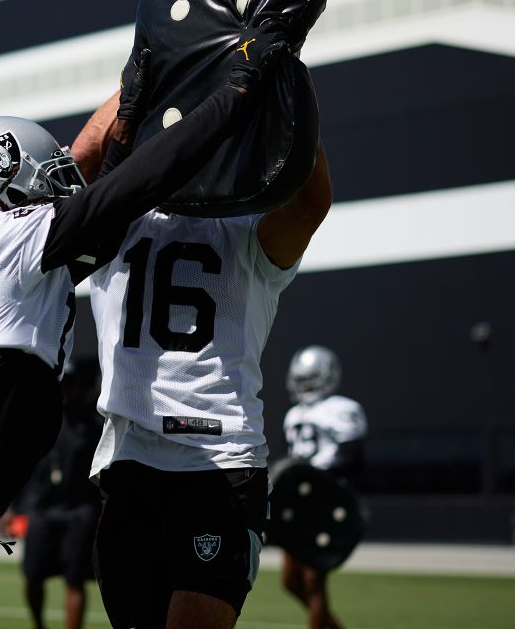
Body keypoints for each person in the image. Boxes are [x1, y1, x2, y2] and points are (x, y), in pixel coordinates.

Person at [0, 24, 289, 629]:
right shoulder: (6, 241)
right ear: (1, 192)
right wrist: (234, 90)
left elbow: (97, 174)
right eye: (39, 170)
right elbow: (136, 181)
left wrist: (138, 90)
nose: (58, 178)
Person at [72, 46, 333, 629]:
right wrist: (167, 75)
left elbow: (311, 202)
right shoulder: (116, 216)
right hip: (130, 457)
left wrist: (282, 84)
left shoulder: (245, 229)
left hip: (215, 460)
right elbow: (78, 163)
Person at [279, 345, 366, 629]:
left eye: (311, 379)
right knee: (291, 582)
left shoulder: (343, 408)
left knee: (313, 580)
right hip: (300, 501)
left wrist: (317, 474)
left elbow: (351, 452)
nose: (306, 386)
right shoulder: (293, 414)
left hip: (326, 501)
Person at [17, 366, 103, 629]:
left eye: (70, 383)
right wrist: (18, 507)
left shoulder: (91, 422)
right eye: (60, 384)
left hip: (79, 510)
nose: (65, 389)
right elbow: (23, 465)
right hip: (42, 508)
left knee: (74, 579)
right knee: (33, 576)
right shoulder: (38, 418)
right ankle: (39, 625)